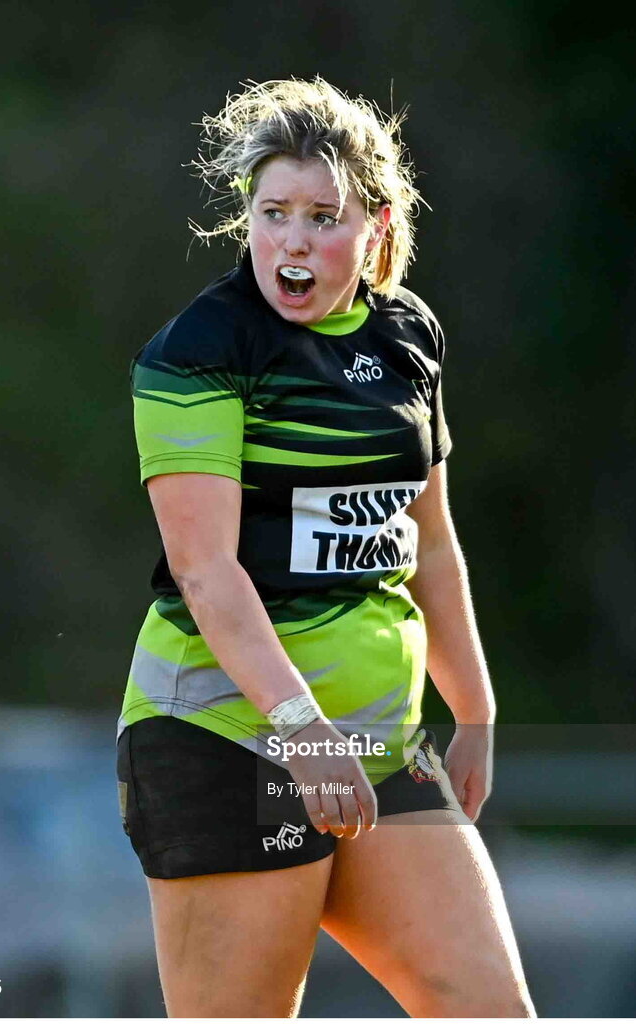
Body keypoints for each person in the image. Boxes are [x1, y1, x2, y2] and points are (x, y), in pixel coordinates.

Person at [116, 76, 536, 1018]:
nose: (293, 242)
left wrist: (473, 709)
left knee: (491, 1011)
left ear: (376, 227)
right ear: (248, 219)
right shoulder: (199, 350)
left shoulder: (406, 336)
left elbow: (427, 538)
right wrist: (302, 734)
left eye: (321, 216)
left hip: (379, 743)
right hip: (229, 737)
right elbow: (204, 569)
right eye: (273, 214)